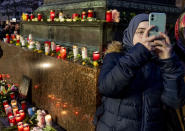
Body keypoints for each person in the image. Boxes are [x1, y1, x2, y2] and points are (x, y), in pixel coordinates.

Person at [94, 13, 185, 131]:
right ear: (130, 34)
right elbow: (107, 88)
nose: (146, 37)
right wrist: (139, 52)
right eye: (141, 32)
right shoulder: (115, 57)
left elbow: (175, 101)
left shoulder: (164, 63)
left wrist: (168, 61)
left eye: (152, 32)